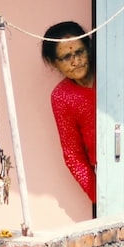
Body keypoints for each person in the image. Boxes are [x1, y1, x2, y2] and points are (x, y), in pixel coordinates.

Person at [42, 21, 97, 213]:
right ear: (54, 63)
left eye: (79, 52)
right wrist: (99, 194)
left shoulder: (112, 77)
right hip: (104, 177)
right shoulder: (62, 97)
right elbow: (73, 155)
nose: (75, 61)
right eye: (66, 57)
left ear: (89, 49)